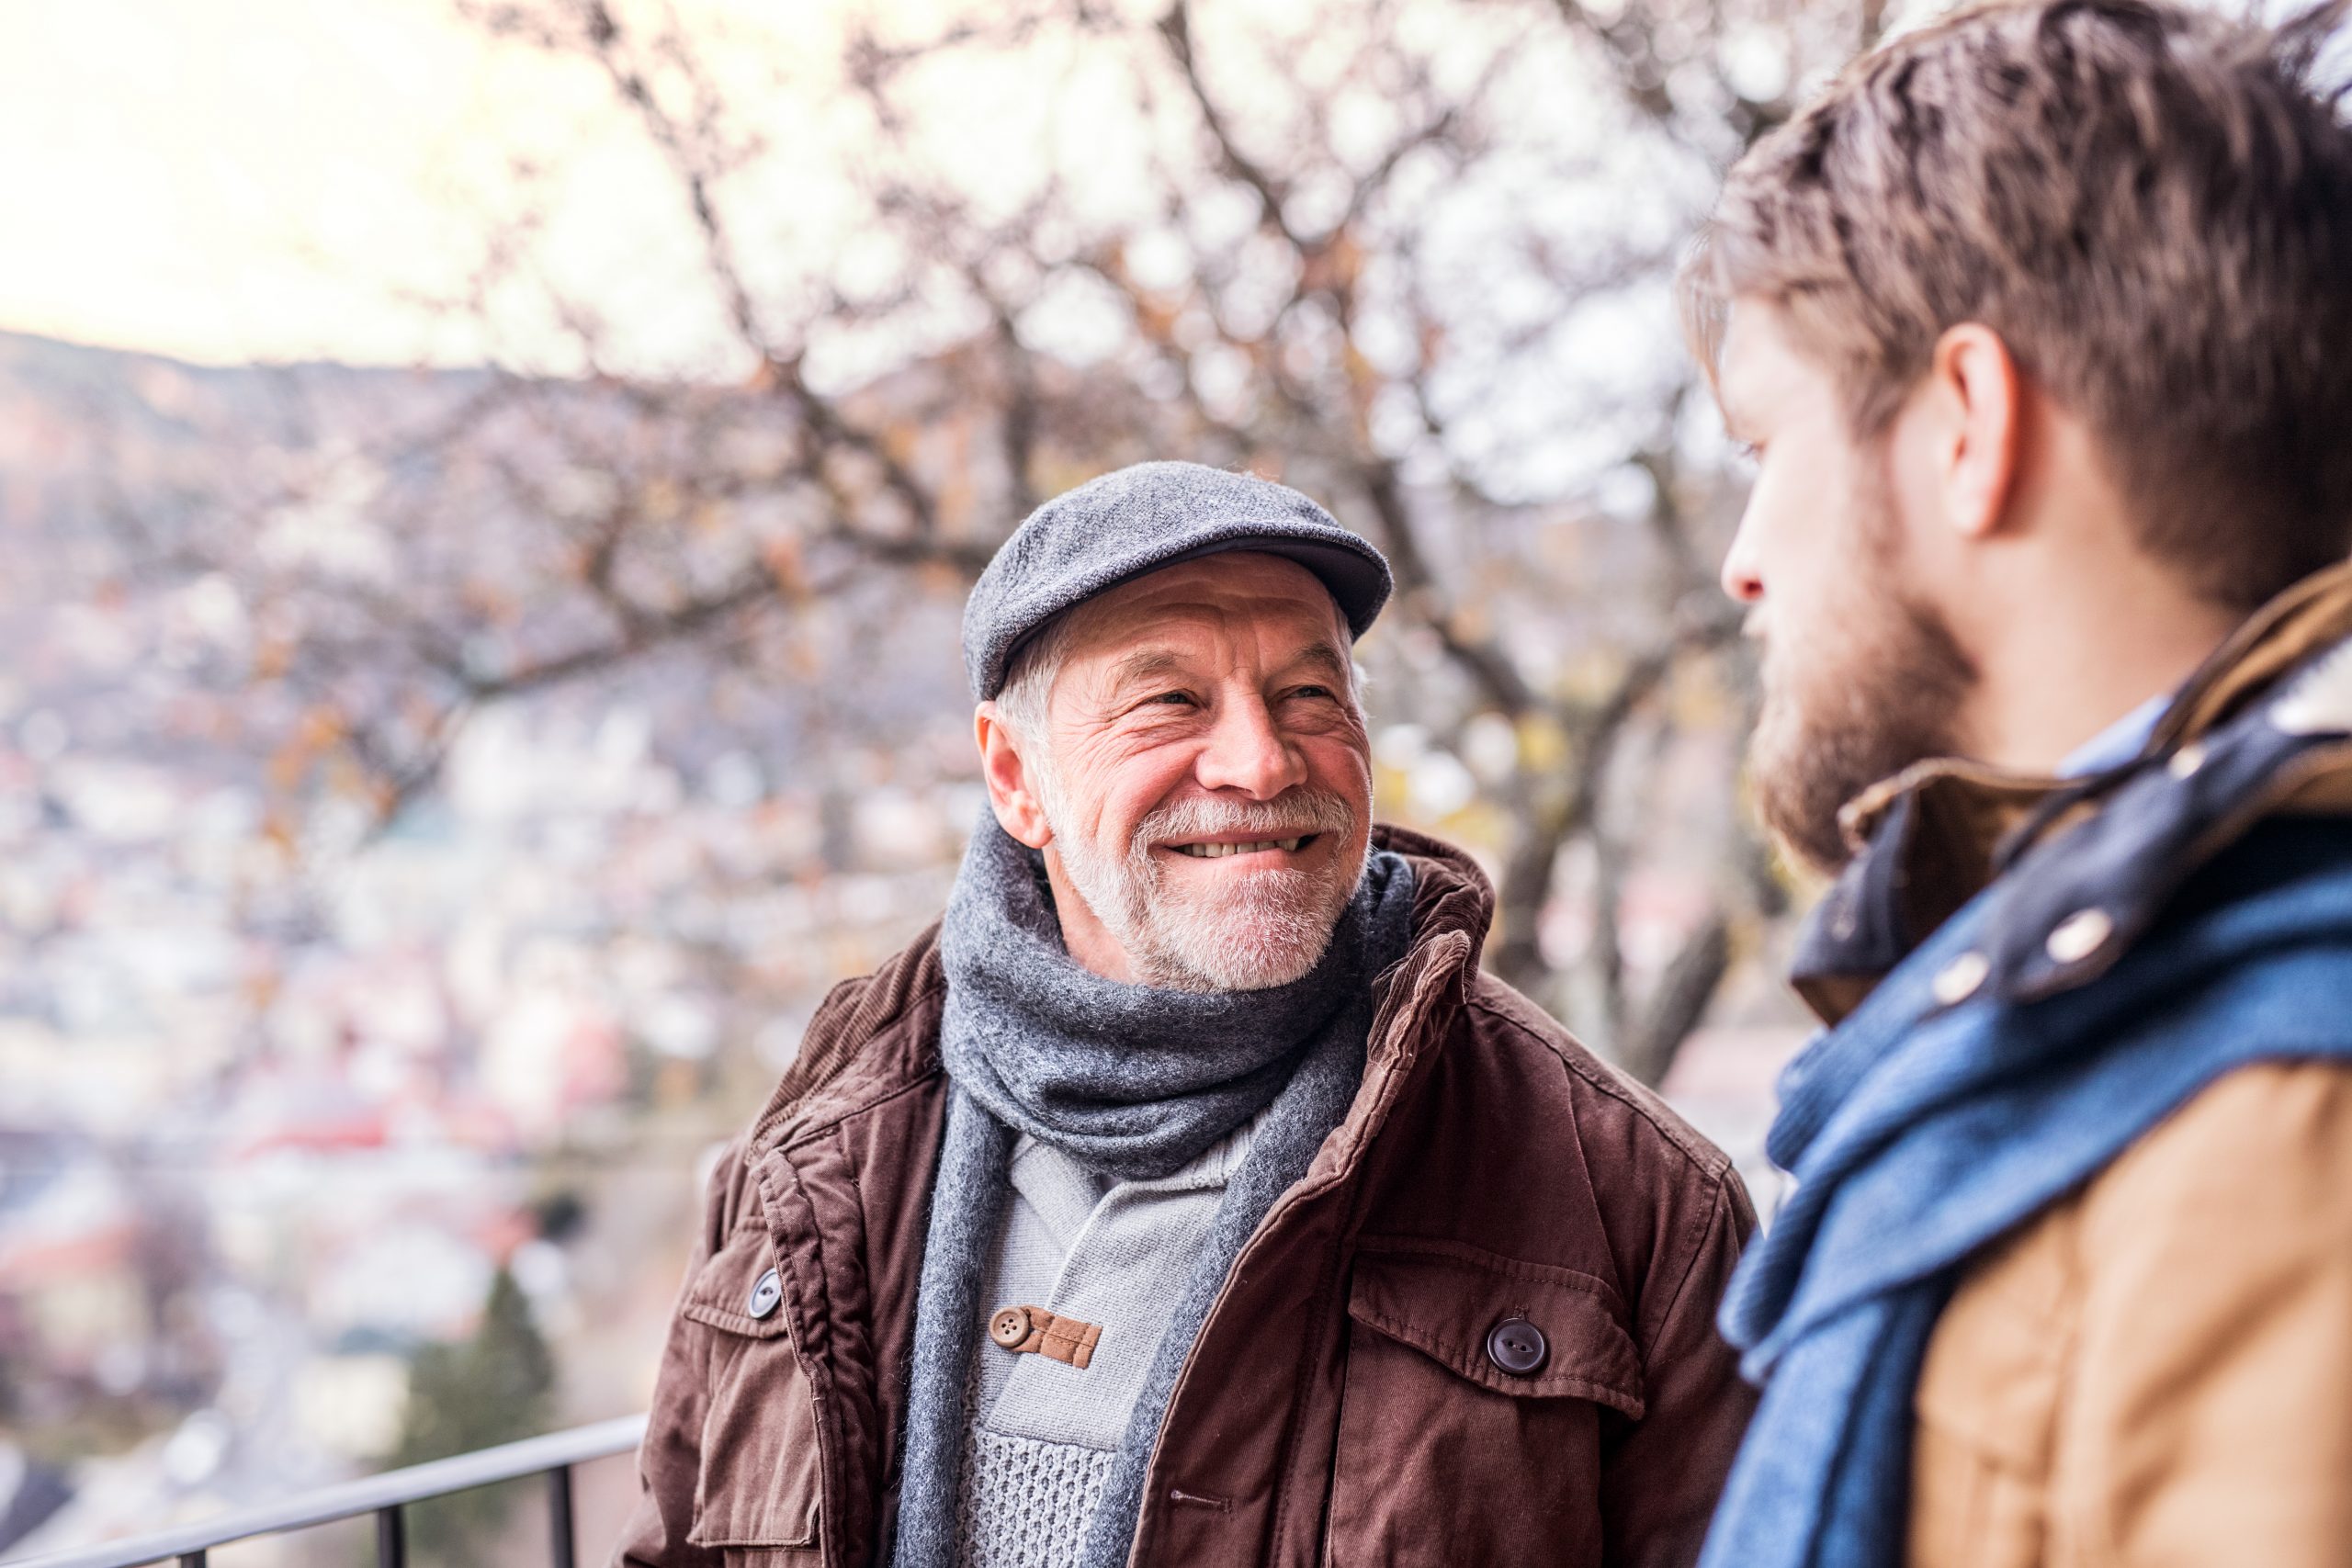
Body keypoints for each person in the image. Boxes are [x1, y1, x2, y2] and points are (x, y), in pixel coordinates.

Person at [609, 461, 1756, 1568]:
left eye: (1310, 694)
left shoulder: (1634, 1202)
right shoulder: (813, 1168)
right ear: (1016, 779)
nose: (1261, 760)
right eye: (1170, 702)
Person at [1679, 4, 2352, 1567]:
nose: (1743, 561)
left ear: (1970, 426)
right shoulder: (2125, 1016)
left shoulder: (2279, 1118)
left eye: (1767, 443)